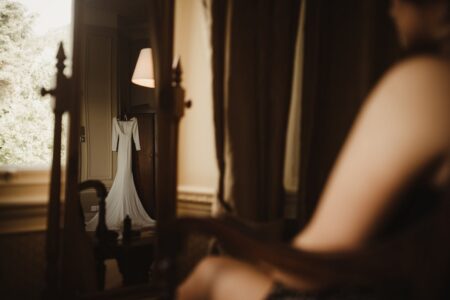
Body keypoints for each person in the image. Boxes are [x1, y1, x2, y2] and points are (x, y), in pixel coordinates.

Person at [177, 0, 450, 299]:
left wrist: (240, 246)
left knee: (212, 273)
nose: (392, 9)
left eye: (402, 0)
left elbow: (308, 268)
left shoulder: (426, 83)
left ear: (439, 9)